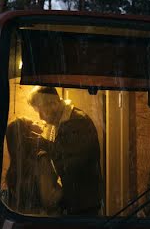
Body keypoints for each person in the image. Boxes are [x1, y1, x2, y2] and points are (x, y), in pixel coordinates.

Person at [27, 86, 102, 215]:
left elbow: (69, 164)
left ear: (54, 104)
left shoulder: (77, 121)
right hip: (75, 203)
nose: (40, 116)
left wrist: (44, 144)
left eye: (41, 110)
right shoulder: (60, 123)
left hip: (83, 207)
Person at [4, 118, 61, 215]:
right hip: (41, 223)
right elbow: (50, 200)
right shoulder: (40, 159)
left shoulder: (15, 167)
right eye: (34, 122)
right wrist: (67, 189)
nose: (40, 122)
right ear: (31, 135)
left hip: (24, 223)